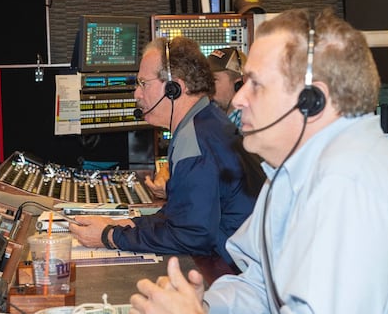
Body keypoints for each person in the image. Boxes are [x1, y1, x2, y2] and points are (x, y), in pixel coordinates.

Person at [129, 8, 388, 314]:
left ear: (311, 101)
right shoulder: (290, 175)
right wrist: (203, 306)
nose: (238, 99)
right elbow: (259, 284)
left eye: (256, 84)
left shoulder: (353, 191)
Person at [69, 36, 263, 268]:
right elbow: (180, 216)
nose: (136, 94)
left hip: (233, 272)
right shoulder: (205, 121)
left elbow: (192, 235)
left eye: (143, 84)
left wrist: (109, 236)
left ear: (174, 88)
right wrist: (129, 225)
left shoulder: (195, 139)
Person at [144, 47, 249, 198]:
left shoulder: (248, 127)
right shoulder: (211, 117)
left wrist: (174, 189)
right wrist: (166, 171)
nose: (207, 88)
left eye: (213, 81)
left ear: (239, 85)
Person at [207, 47, 247, 128]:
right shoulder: (210, 120)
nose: (207, 86)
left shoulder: (250, 125)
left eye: (214, 79)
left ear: (238, 85)